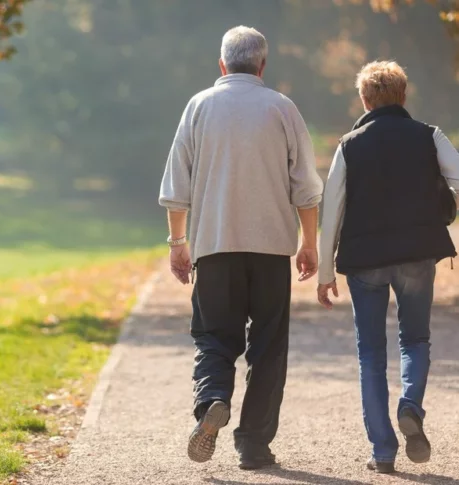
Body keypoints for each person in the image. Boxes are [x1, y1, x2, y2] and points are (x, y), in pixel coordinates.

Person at [158, 26, 323, 470]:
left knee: (214, 335)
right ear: (262, 65)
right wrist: (310, 244)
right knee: (268, 346)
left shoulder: (199, 107)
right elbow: (306, 189)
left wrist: (178, 243)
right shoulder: (282, 108)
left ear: (222, 64)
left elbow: (177, 186)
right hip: (271, 251)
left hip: (215, 247)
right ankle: (253, 445)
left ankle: (212, 400)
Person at [317, 61, 459, 474]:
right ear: (403, 96)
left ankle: (383, 451)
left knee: (371, 355)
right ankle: (410, 405)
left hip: (366, 263)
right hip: (417, 253)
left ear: (364, 100)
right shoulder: (429, 136)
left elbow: (334, 210)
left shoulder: (349, 145)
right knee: (415, 340)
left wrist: (326, 272)